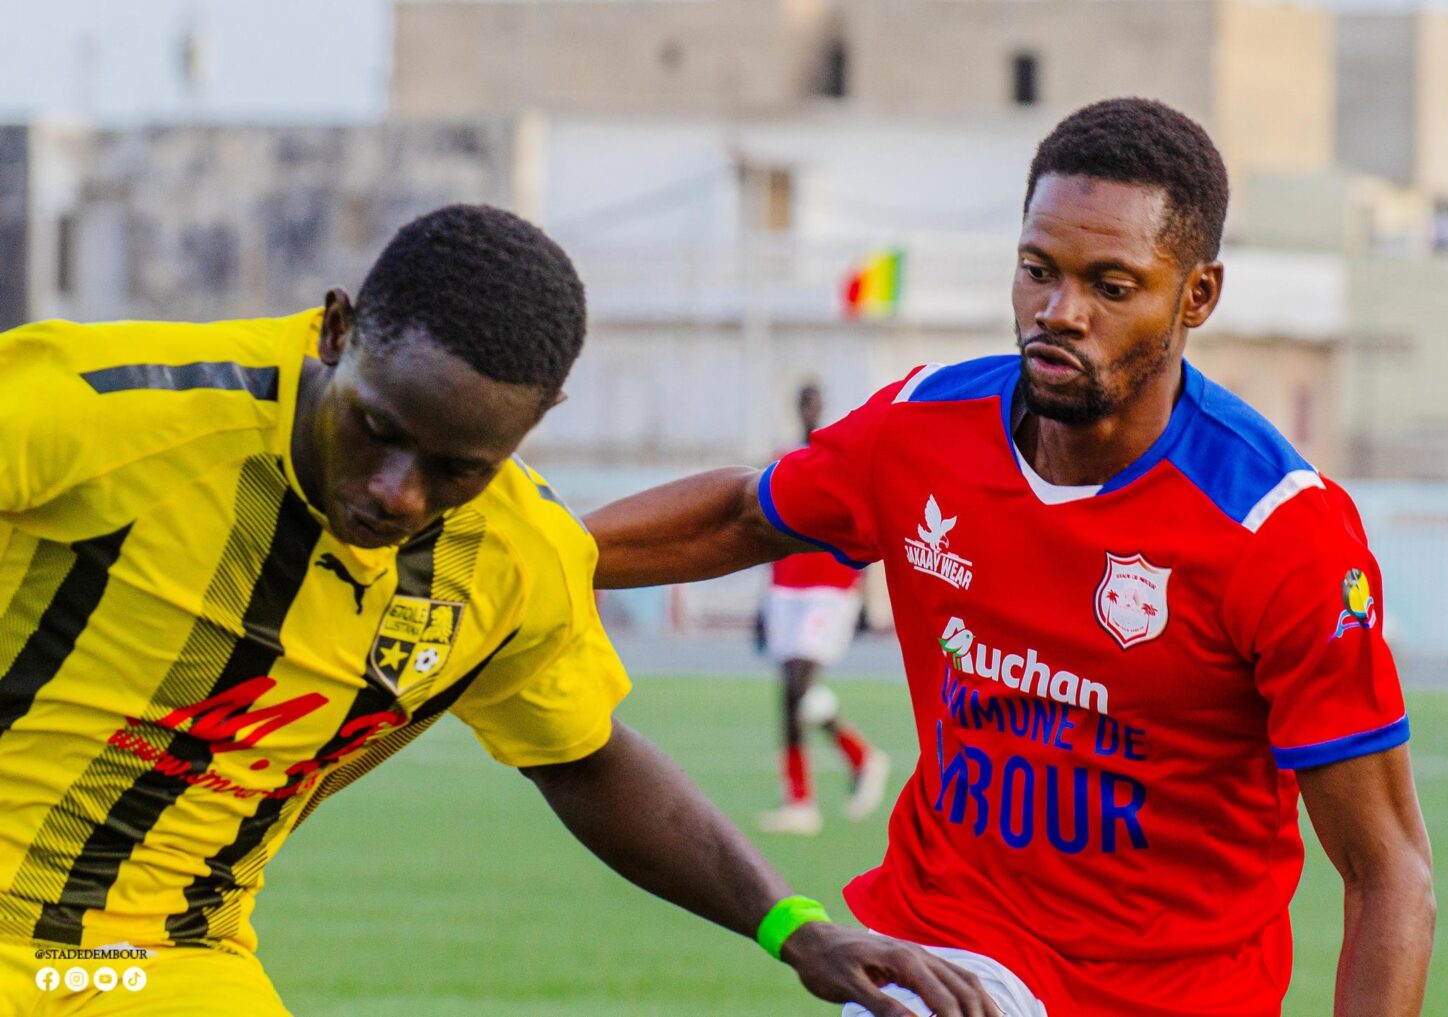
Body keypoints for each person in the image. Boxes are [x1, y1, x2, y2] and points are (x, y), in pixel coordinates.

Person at [0, 204, 1001, 1017]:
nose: (397, 493)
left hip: (166, 958)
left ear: (533, 426)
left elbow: (586, 757)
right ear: (337, 332)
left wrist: (794, 928)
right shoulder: (107, 408)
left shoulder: (514, 561)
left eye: (456, 469)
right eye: (378, 428)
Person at [586, 99, 1436, 1017]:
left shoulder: (1278, 529)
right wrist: (542, 553)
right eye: (1038, 270)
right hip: (949, 954)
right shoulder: (920, 430)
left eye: (1111, 286)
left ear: (1197, 296)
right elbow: (745, 513)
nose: (1058, 313)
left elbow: (1388, 870)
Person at [759, 382, 890, 836]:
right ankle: (802, 800)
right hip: (786, 588)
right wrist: (762, 602)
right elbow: (767, 526)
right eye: (803, 402)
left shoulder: (839, 455)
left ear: (822, 406)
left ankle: (858, 758)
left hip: (828, 586)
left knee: (799, 683)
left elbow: (864, 522)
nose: (809, 409)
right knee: (789, 693)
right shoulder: (782, 458)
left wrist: (864, 599)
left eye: (814, 402)